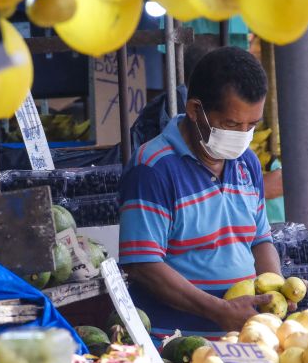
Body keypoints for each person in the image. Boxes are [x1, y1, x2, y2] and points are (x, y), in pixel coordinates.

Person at [118, 47, 285, 339]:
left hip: (244, 338)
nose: (242, 134)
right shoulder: (152, 168)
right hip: (175, 342)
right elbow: (143, 265)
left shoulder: (247, 163)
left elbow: (260, 240)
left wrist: (276, 290)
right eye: (232, 124)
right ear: (196, 110)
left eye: (252, 125)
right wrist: (217, 310)